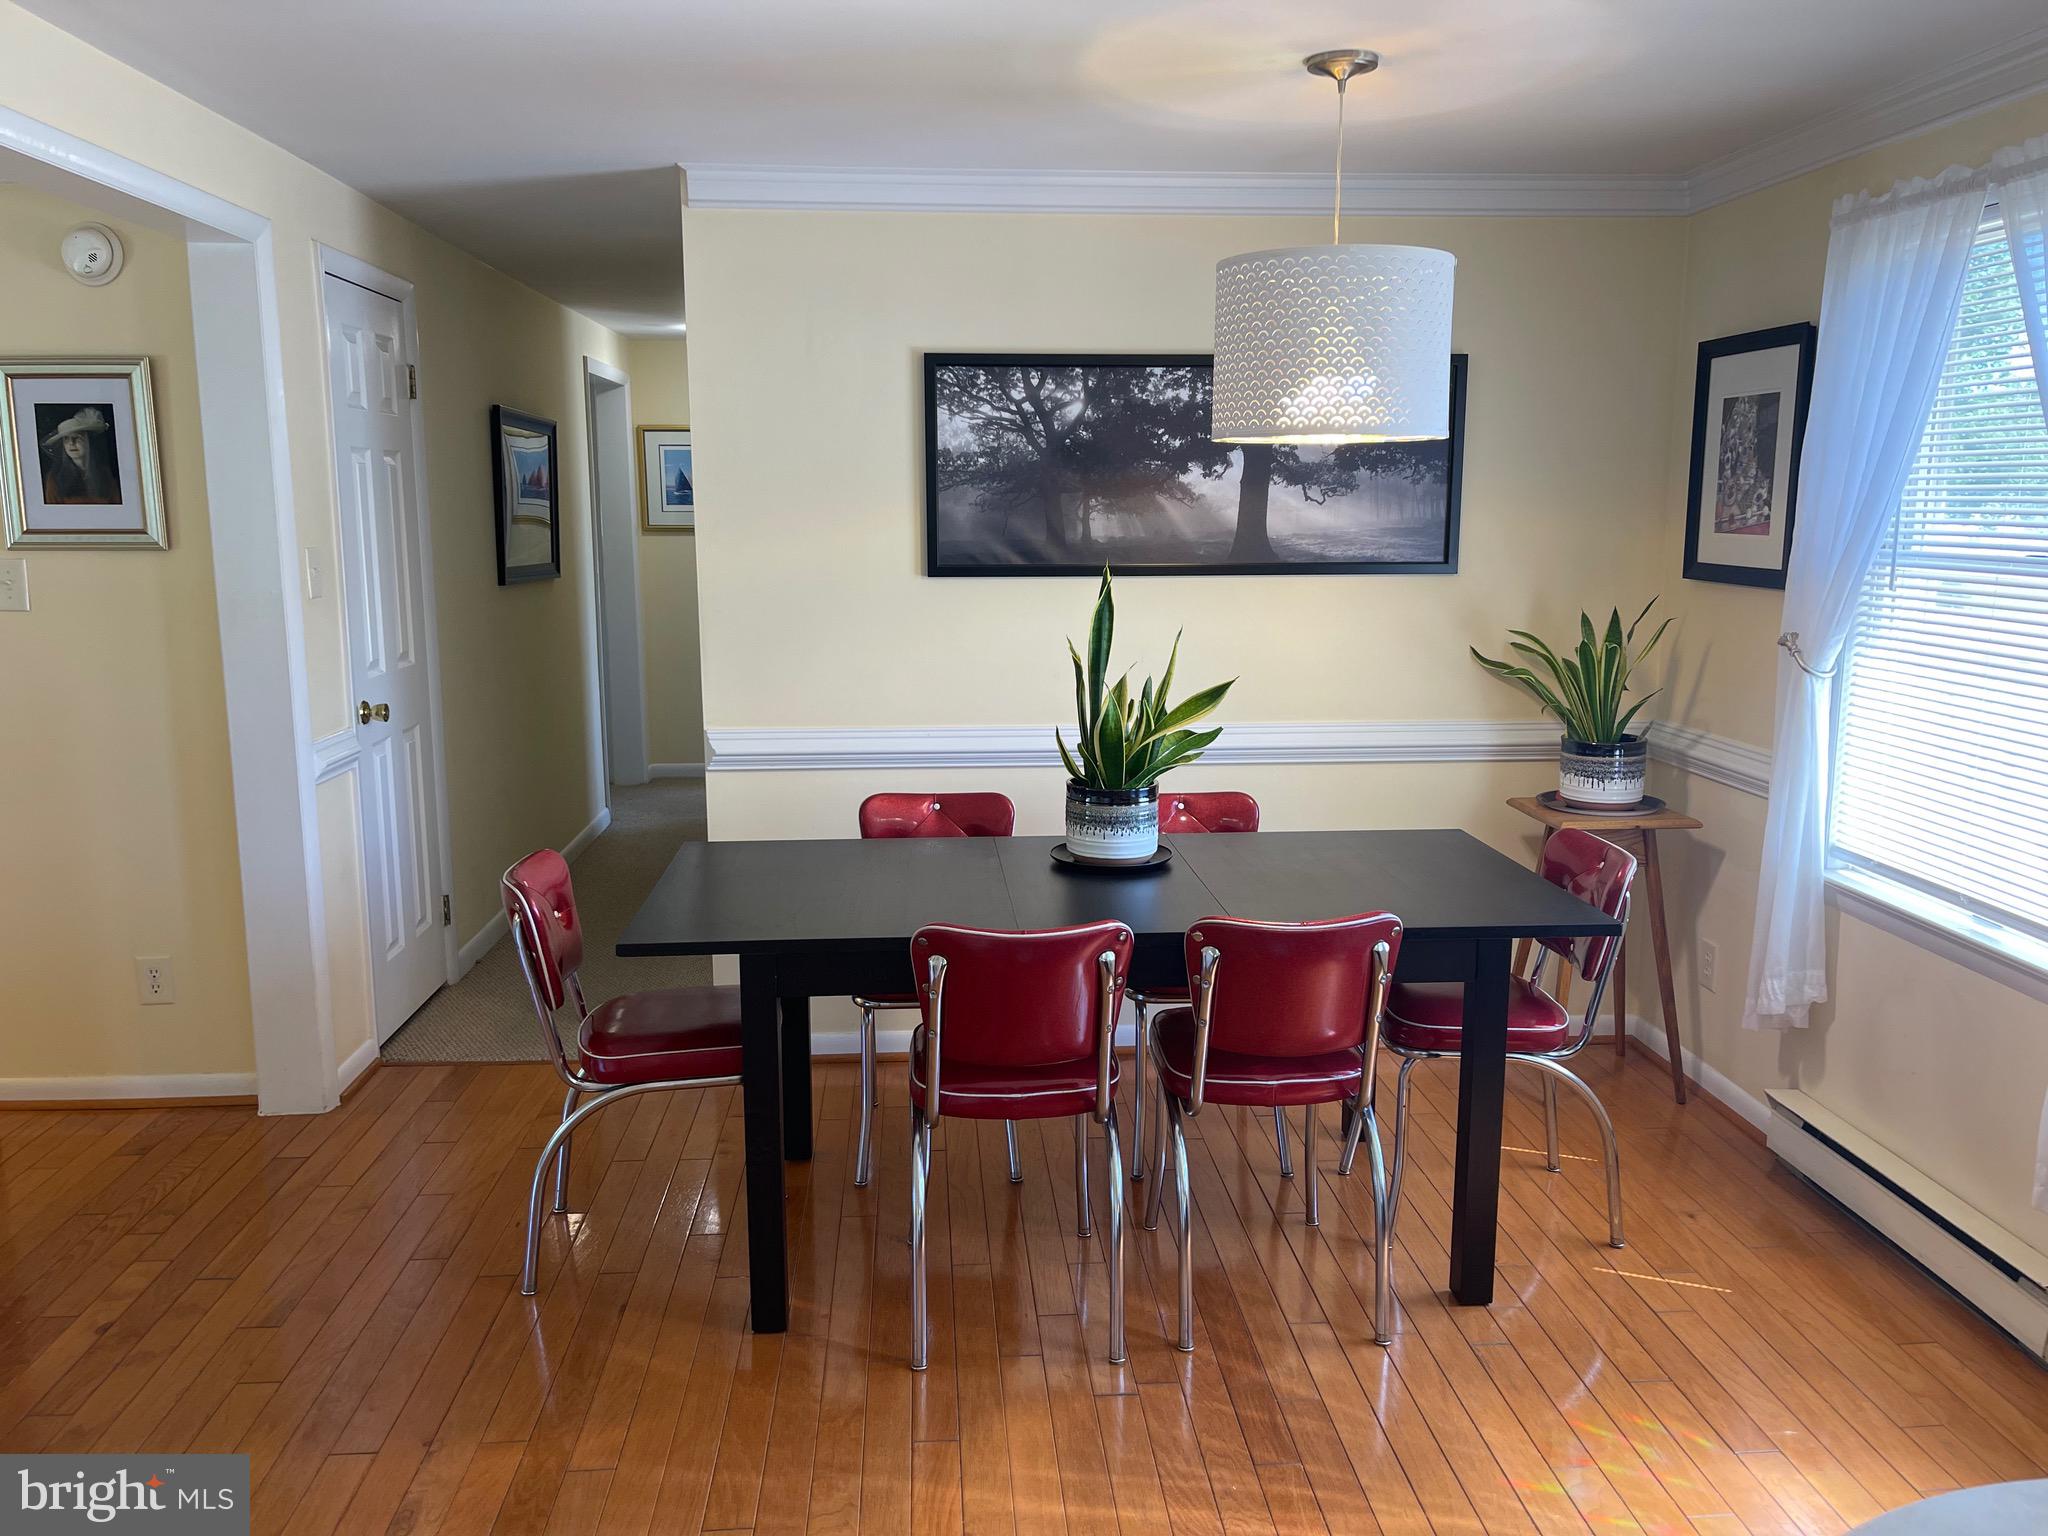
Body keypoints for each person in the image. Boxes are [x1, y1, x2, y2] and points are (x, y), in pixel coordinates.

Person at [41, 406, 120, 505]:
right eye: (66, 439)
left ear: (89, 442)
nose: (71, 443)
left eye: (77, 437)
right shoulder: (54, 478)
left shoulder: (106, 475)